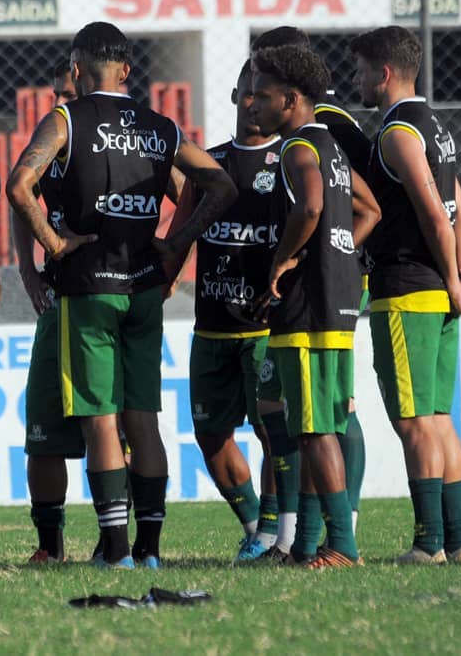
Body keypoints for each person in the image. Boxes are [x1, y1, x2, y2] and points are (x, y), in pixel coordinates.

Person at [8, 22, 237, 569]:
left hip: (88, 289)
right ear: (128, 71)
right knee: (143, 420)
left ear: (77, 68)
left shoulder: (67, 118)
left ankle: (114, 550)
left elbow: (20, 184)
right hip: (143, 290)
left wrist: (55, 243)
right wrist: (175, 241)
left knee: (101, 421)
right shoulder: (162, 128)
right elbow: (222, 186)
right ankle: (150, 549)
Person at [351, 25, 461, 564]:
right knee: (438, 417)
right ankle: (457, 542)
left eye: (359, 70)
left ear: (383, 74)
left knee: (413, 422)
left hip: (407, 289)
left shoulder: (399, 133)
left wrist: (452, 279)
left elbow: (433, 210)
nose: (354, 80)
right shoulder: (436, 127)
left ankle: (428, 545)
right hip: (439, 290)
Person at [248, 44, 380, 568]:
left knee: (315, 428)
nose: (253, 104)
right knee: (313, 423)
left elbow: (309, 206)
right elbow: (366, 208)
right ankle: (304, 546)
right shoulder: (332, 148)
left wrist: (286, 261)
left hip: (307, 309)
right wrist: (340, 249)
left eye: (262, 95)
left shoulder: (298, 149)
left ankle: (341, 548)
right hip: (336, 298)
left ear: (292, 98)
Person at [164, 59, 282, 563]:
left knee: (271, 430)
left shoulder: (293, 161)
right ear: (235, 96)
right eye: (247, 93)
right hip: (210, 328)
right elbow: (180, 237)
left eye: (264, 93)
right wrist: (161, 286)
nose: (253, 102)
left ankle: (280, 528)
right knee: (211, 435)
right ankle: (256, 526)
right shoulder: (207, 166)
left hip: (265, 328)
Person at [15, 60, 82, 564]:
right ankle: (49, 544)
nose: (61, 103)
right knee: (41, 433)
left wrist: (163, 261)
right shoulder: (52, 145)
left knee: (118, 428)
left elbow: (180, 193)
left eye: (69, 94)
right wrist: (29, 268)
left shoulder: (126, 141)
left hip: (108, 304)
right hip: (57, 303)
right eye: (56, 94)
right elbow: (21, 195)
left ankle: (117, 541)